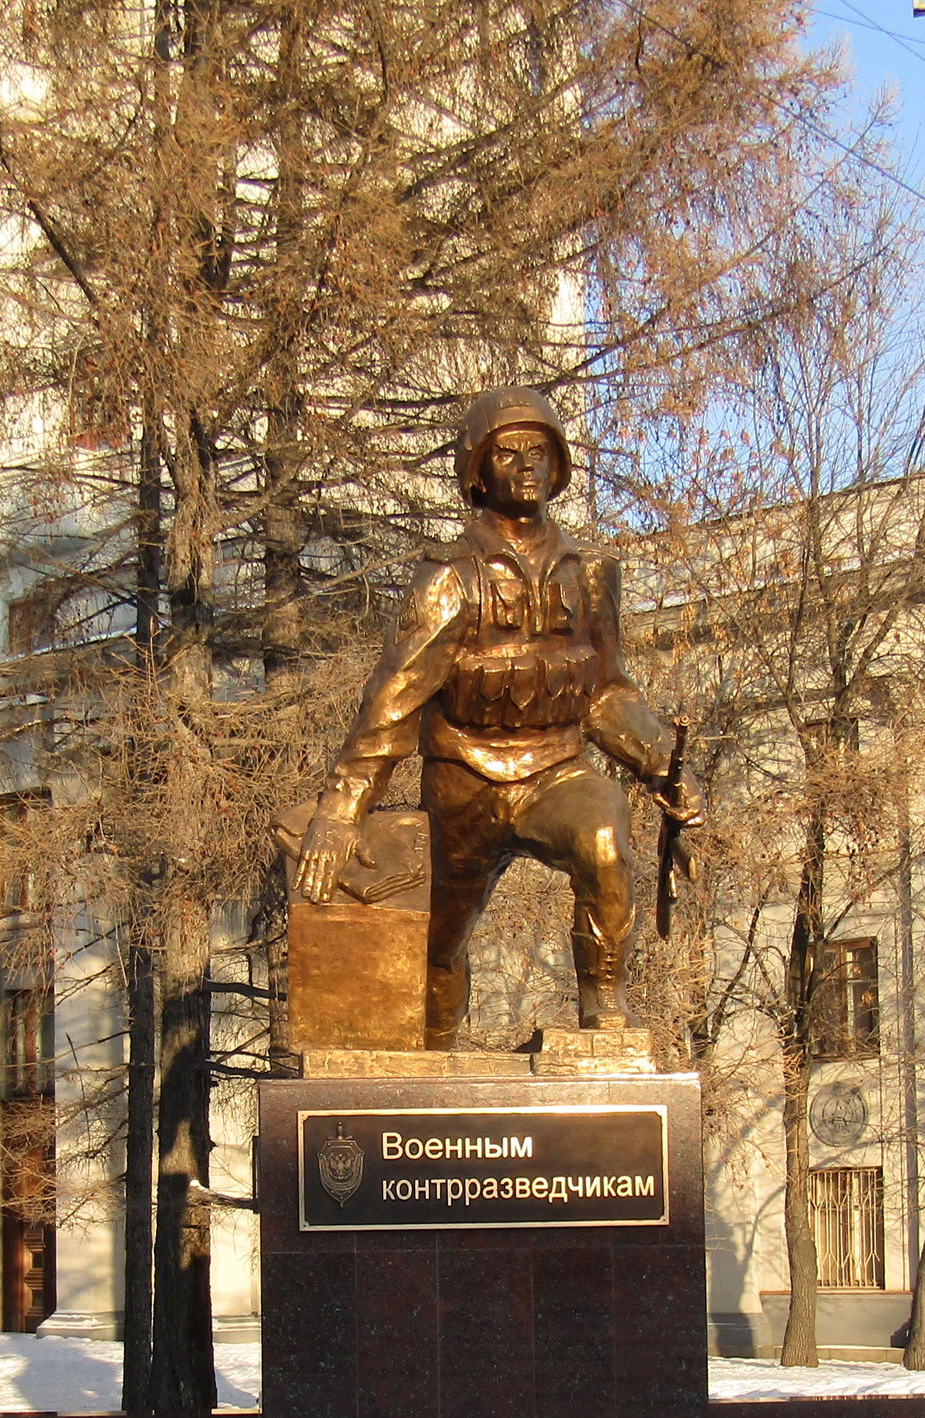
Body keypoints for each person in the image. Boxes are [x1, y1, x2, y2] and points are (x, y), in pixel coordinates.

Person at [294, 387, 691, 1043]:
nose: (527, 464)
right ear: (478, 470)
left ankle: (606, 1016)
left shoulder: (590, 575)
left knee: (603, 842)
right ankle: (431, 1068)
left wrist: (665, 770)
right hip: (464, 786)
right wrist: (341, 808)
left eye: (540, 451)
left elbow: (605, 694)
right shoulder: (449, 577)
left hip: (555, 772)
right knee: (436, 946)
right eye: (508, 452)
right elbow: (394, 700)